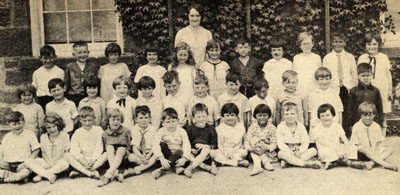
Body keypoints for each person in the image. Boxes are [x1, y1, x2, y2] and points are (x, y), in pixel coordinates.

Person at [357, 32, 392, 137]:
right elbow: (359, 75)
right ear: (365, 45)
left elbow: (388, 74)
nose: (372, 47)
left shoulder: (384, 57)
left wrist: (390, 90)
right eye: (369, 44)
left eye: (374, 44)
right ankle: (367, 138)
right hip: (369, 90)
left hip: (382, 89)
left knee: (382, 114)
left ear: (379, 45)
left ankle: (381, 138)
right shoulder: (362, 58)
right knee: (368, 111)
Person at [322, 31, 357, 133]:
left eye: (340, 42)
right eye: (335, 42)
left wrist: (353, 87)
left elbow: (354, 74)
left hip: (347, 88)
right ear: (332, 43)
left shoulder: (349, 57)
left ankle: (346, 133)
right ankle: (335, 133)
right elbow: (324, 74)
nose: (338, 44)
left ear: (344, 43)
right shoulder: (327, 58)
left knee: (347, 111)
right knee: (335, 111)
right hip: (334, 89)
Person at [349, 102, 398, 171]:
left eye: (370, 115)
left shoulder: (376, 126)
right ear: (360, 116)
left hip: (374, 152)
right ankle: (386, 165)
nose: (367, 118)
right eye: (365, 116)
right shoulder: (356, 126)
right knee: (362, 148)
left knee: (391, 148)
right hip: (362, 154)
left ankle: (371, 163)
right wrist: (367, 150)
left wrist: (375, 151)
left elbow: (379, 142)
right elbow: (356, 144)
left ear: (374, 115)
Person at [25, 112, 70, 183]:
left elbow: (67, 152)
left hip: (59, 164)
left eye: (54, 126)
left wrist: (56, 164)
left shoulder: (65, 136)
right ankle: (50, 175)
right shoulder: (43, 137)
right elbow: (42, 153)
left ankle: (42, 174)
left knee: (66, 163)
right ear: (45, 128)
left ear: (58, 125)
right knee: (28, 161)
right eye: (48, 127)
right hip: (46, 163)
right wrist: (43, 164)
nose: (52, 129)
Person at [310, 104, 357, 170]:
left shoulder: (337, 126)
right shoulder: (316, 129)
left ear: (333, 115)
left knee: (353, 148)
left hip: (338, 148)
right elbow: (324, 144)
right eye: (322, 116)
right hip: (326, 149)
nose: (325, 118)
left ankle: (335, 161)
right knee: (327, 152)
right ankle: (343, 161)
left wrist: (345, 149)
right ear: (319, 117)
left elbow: (345, 141)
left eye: (328, 115)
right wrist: (338, 152)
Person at [276, 102, 321, 169]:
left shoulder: (300, 126)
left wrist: (300, 151)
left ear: (297, 114)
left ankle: (289, 162)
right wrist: (289, 151)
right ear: (283, 115)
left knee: (313, 150)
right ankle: (305, 164)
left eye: (292, 114)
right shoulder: (280, 126)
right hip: (287, 151)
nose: (290, 116)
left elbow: (305, 141)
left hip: (299, 151)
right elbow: (280, 143)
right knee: (280, 154)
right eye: (287, 114)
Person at [64, 106, 104, 179]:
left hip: (94, 161)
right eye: (84, 120)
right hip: (81, 161)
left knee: (106, 155)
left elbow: (99, 147)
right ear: (80, 120)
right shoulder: (78, 132)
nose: (87, 123)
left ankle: (80, 171)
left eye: (90, 120)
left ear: (94, 119)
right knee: (67, 155)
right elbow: (74, 149)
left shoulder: (98, 130)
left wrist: (93, 160)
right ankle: (89, 173)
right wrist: (82, 161)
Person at [151, 108, 191, 179]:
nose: (171, 124)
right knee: (162, 144)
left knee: (180, 151)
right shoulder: (161, 131)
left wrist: (184, 158)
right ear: (163, 123)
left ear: (178, 121)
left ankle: (162, 169)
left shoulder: (182, 131)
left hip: (178, 157)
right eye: (168, 122)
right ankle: (177, 168)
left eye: (173, 121)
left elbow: (187, 144)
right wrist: (161, 158)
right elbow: (155, 144)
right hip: (165, 156)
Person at [0, 111, 40, 183]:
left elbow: (36, 149)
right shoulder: (7, 136)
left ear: (23, 122)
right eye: (14, 124)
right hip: (8, 163)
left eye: (19, 123)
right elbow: (1, 150)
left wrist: (28, 161)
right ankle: (15, 177)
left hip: (22, 163)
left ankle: (11, 178)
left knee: (25, 172)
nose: (17, 126)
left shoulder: (29, 134)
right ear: (9, 124)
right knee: (2, 166)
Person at [98, 108, 132, 187]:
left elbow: (128, 145)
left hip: (123, 155)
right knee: (109, 147)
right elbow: (104, 148)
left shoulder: (126, 131)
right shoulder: (105, 134)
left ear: (121, 120)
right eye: (113, 119)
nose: (116, 122)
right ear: (108, 120)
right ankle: (115, 172)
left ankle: (108, 174)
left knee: (120, 149)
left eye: (118, 119)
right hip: (111, 156)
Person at [184, 103, 218, 177]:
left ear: (207, 116)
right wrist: (192, 149)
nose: (201, 119)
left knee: (205, 150)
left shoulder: (211, 129)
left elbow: (215, 145)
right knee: (186, 152)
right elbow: (186, 143)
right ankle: (204, 166)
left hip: (206, 154)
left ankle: (190, 167)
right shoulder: (189, 129)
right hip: (193, 153)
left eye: (204, 116)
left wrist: (204, 146)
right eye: (198, 117)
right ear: (193, 118)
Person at [124, 106, 157, 178]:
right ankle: (146, 166)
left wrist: (148, 156)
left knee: (156, 156)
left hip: (149, 154)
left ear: (150, 119)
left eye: (146, 118)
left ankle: (138, 169)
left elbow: (155, 146)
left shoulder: (153, 129)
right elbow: (134, 147)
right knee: (130, 157)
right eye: (141, 118)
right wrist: (141, 157)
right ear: (136, 119)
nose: (144, 120)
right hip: (139, 154)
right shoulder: (134, 129)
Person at [245, 104, 278, 175]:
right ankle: (258, 166)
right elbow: (247, 140)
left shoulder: (272, 128)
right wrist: (250, 148)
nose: (262, 118)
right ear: (255, 116)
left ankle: (265, 163)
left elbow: (274, 142)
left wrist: (267, 147)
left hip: (267, 152)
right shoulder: (252, 127)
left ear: (269, 116)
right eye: (259, 115)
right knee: (253, 154)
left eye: (265, 115)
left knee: (263, 155)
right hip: (254, 151)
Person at [212, 103, 248, 167]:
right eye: (227, 115)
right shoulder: (220, 128)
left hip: (236, 150)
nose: (230, 118)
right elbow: (220, 145)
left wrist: (233, 151)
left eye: (232, 115)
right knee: (212, 153)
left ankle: (222, 162)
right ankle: (237, 163)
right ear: (223, 116)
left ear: (236, 116)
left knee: (244, 152)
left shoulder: (240, 126)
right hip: (224, 150)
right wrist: (226, 153)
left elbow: (240, 144)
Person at [348, 63, 383, 129]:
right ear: (358, 76)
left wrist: (379, 123)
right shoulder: (354, 91)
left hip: (373, 123)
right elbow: (350, 109)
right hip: (358, 123)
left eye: (368, 75)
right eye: (363, 76)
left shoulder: (375, 90)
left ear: (372, 76)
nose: (366, 78)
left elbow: (379, 109)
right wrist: (351, 125)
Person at [64, 41, 98, 107]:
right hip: (74, 96)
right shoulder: (69, 67)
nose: (82, 55)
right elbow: (66, 83)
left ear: (88, 53)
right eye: (79, 53)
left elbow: (96, 82)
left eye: (85, 52)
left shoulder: (92, 67)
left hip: (89, 96)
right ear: (73, 54)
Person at [32, 45, 64, 110]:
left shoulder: (60, 72)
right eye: (45, 58)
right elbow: (35, 89)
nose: (48, 61)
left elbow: (62, 88)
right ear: (40, 58)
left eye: (51, 58)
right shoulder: (37, 72)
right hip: (41, 100)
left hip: (55, 99)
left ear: (55, 57)